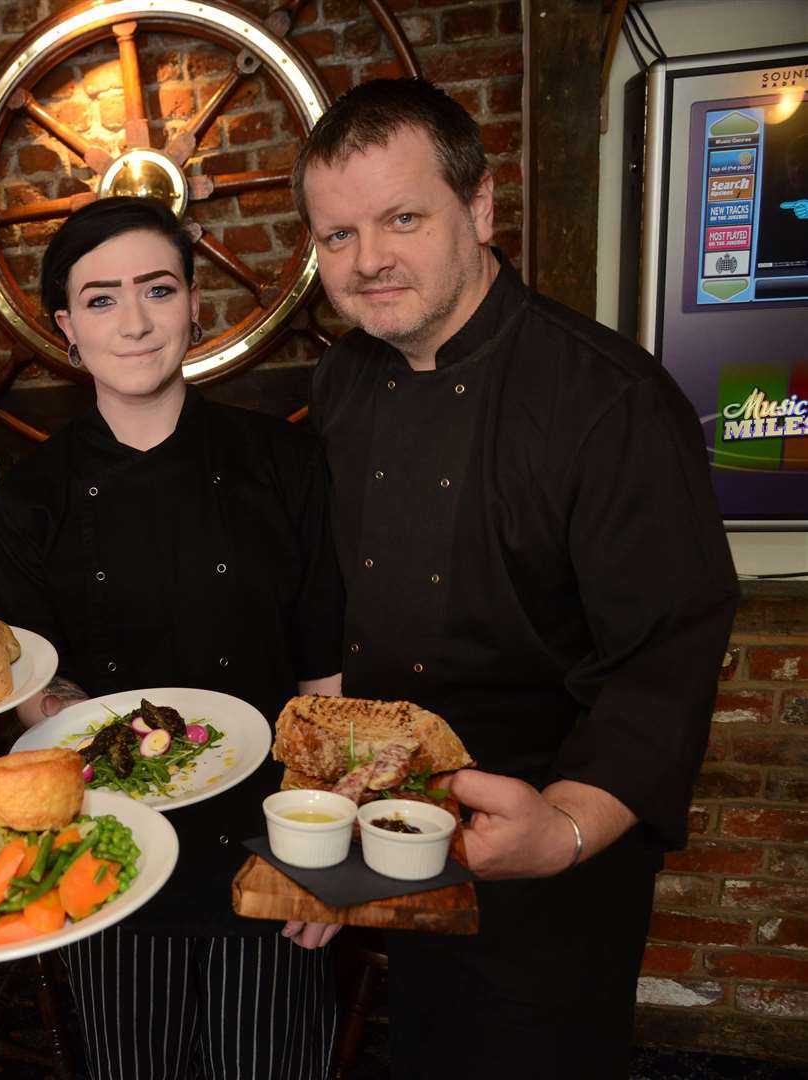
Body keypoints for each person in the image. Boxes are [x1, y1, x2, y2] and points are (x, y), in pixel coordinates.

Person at [293, 78, 738, 1079]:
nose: (368, 262)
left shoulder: (608, 399)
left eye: (402, 218)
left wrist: (568, 827)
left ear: (480, 207)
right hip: (397, 830)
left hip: (550, 855)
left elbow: (666, 655)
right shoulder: (342, 382)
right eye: (336, 236)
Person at [0, 197, 345, 1080]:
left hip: (268, 846)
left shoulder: (284, 464)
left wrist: (322, 849)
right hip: (109, 847)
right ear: (67, 330)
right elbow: (32, 693)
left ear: (195, 306)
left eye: (157, 288)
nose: (136, 321)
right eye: (102, 299)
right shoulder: (31, 500)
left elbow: (325, 674)